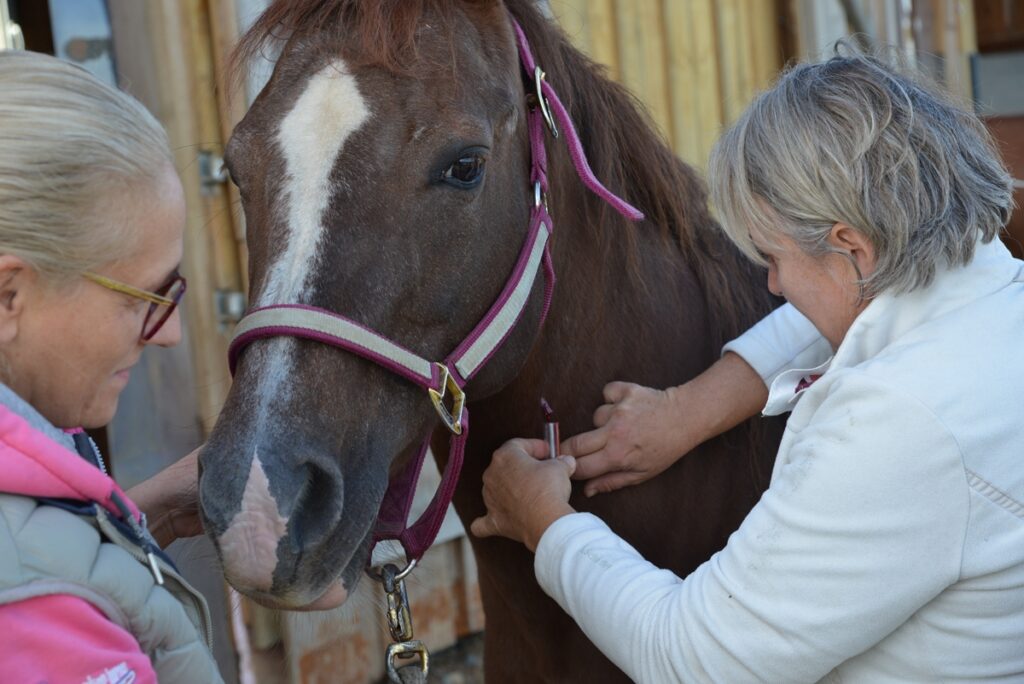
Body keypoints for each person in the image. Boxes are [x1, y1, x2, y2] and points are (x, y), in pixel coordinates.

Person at [471, 46, 1024, 682]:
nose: (773, 286)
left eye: (774, 256)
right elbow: (857, 306)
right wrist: (686, 411)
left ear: (850, 247)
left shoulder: (903, 422)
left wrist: (546, 523)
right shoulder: (985, 295)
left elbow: (698, 661)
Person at [0, 51, 219, 683]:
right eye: (140, 300)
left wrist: (141, 514)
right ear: (9, 296)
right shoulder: (38, 617)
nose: (171, 335)